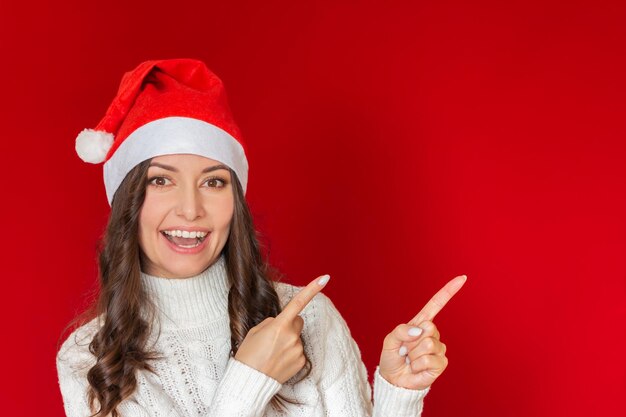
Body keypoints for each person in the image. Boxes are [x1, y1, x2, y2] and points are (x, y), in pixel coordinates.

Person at [56, 59, 466, 417]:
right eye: (161, 180)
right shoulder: (87, 359)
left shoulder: (311, 319)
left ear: (235, 202)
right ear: (127, 201)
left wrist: (399, 394)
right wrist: (250, 381)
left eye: (214, 182)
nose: (190, 209)